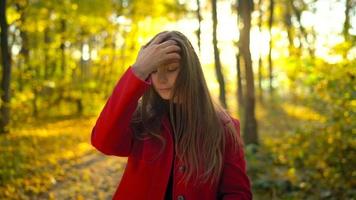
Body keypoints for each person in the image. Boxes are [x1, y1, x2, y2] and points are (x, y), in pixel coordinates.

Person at [91, 31, 252, 200]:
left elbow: (237, 193)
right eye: (153, 70)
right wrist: (138, 70)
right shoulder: (142, 119)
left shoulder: (224, 127)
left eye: (171, 69)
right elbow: (103, 142)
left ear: (190, 72)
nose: (160, 79)